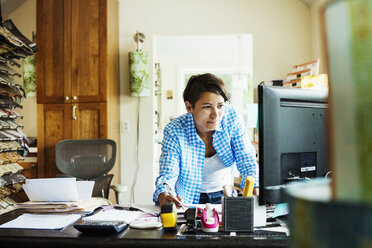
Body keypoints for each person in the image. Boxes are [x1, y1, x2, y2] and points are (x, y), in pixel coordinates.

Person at [153, 73, 258, 208]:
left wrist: (256, 191)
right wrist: (164, 194)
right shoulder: (174, 131)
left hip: (224, 194)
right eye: (207, 106)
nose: (215, 114)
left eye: (220, 106)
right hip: (187, 199)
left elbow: (246, 159)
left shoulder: (231, 118)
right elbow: (168, 174)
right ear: (189, 107)